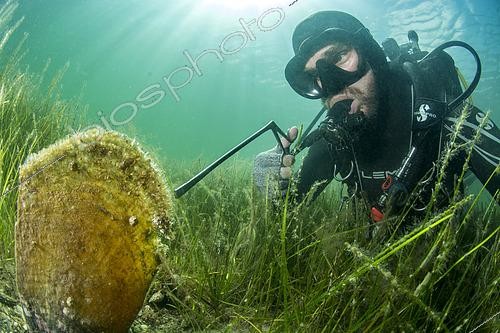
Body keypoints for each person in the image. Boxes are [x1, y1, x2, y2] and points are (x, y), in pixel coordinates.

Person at [253, 11, 499, 221]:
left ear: (371, 54)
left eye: (339, 57)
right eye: (317, 75)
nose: (332, 84)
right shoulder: (334, 138)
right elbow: (286, 211)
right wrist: (270, 192)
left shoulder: (443, 111)